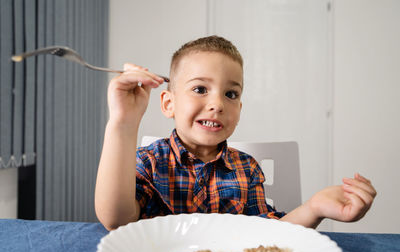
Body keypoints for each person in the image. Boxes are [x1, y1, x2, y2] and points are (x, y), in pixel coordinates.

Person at [95, 36, 376, 231]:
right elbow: (117, 220)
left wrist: (315, 208)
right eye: (200, 89)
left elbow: (270, 234)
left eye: (230, 94)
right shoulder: (149, 162)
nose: (217, 104)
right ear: (169, 103)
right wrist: (123, 122)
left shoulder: (247, 169)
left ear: (239, 108)